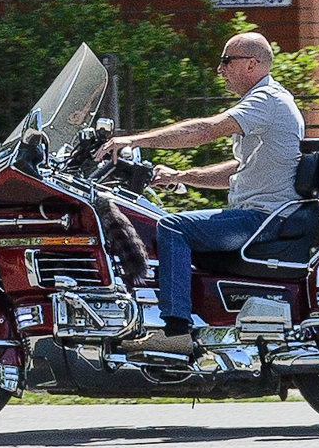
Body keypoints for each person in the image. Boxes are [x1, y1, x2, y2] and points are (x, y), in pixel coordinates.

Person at [95, 31, 304, 355]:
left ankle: (176, 330)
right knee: (165, 221)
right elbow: (241, 169)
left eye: (225, 61)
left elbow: (203, 130)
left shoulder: (268, 101)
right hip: (265, 214)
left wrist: (134, 140)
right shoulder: (267, 101)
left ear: (251, 64)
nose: (219, 69)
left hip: (262, 219)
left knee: (172, 227)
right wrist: (181, 176)